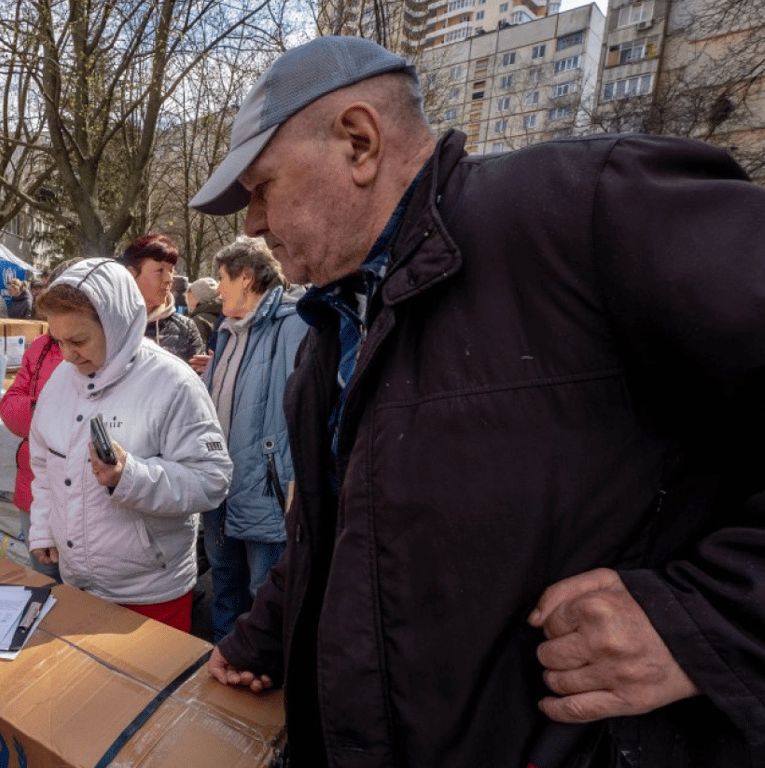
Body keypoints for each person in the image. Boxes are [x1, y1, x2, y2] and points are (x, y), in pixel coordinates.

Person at [189, 35, 765, 767]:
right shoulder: (331, 330)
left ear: (359, 142)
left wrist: (707, 621)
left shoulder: (583, 208)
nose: (251, 225)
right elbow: (341, 535)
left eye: (261, 187)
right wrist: (266, 633)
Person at [27, 258, 231, 632]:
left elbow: (212, 480)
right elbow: (44, 464)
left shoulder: (173, 383)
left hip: (151, 594)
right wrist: (43, 527)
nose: (68, 355)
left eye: (79, 341)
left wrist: (131, 477)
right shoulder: (60, 381)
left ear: (116, 324)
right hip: (78, 584)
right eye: (59, 342)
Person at [201, 238, 304, 642]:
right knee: (224, 584)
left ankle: (262, 672)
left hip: (266, 489)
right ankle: (221, 660)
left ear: (245, 277)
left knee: (265, 595)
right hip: (221, 486)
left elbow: (306, 406)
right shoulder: (227, 332)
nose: (218, 289)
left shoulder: (293, 324)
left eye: (222, 278)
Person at [0, 259, 79, 580]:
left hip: (83, 496)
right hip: (32, 487)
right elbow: (10, 408)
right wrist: (47, 410)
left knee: (86, 594)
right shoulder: (40, 348)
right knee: (45, 579)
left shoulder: (103, 351)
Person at [117, 234, 203, 361]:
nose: (169, 279)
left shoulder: (185, 329)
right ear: (131, 274)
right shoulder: (110, 322)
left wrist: (210, 367)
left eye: (171, 270)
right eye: (159, 271)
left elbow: (196, 372)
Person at [186, 276, 222, 349]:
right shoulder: (223, 315)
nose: (187, 302)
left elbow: (196, 350)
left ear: (199, 298)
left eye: (190, 297)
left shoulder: (198, 321)